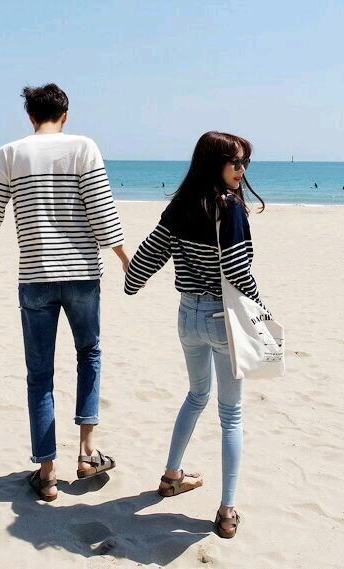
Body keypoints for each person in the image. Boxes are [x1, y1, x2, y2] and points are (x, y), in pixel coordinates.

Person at [0, 83, 129, 502]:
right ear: (65, 114)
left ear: (31, 117)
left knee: (39, 375)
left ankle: (48, 472)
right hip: (81, 273)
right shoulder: (84, 147)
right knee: (89, 354)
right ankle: (87, 453)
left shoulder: (9, 154)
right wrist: (122, 255)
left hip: (36, 276)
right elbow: (102, 209)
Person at [125, 131, 267, 539]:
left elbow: (151, 252)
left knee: (196, 395)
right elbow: (237, 271)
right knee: (231, 413)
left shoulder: (181, 204)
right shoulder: (229, 207)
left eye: (245, 163)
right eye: (235, 162)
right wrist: (261, 311)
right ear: (214, 163)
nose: (242, 170)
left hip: (188, 316)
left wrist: (132, 282)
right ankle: (227, 511)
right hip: (223, 318)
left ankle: (172, 476)